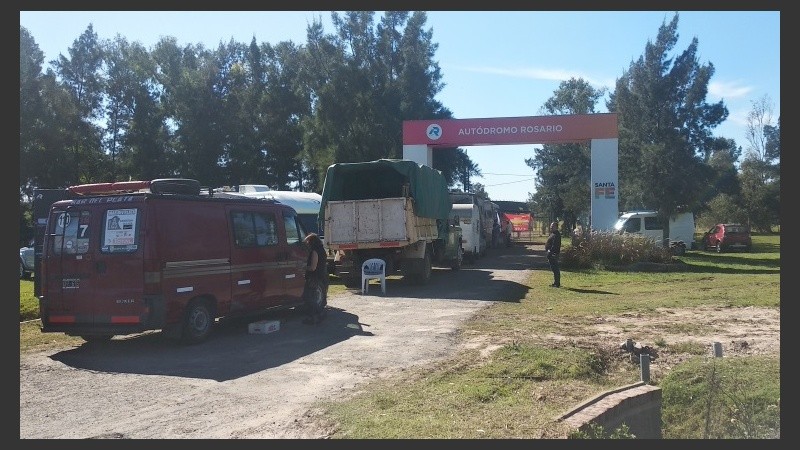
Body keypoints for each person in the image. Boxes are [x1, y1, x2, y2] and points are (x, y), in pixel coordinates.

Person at [302, 232, 328, 324]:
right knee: (318, 298)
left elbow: (313, 267)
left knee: (309, 298)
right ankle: (319, 316)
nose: (307, 244)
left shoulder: (314, 252)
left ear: (312, 242)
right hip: (322, 276)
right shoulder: (322, 250)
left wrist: (303, 267)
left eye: (308, 242)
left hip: (314, 278)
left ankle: (313, 318)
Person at [544, 221, 561, 288]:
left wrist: (550, 252)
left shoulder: (556, 234)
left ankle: (557, 283)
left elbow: (555, 245)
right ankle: (556, 282)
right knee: (554, 269)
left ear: (556, 227)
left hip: (553, 254)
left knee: (555, 269)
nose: (551, 227)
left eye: (552, 226)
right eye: (551, 226)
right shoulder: (553, 233)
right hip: (551, 254)